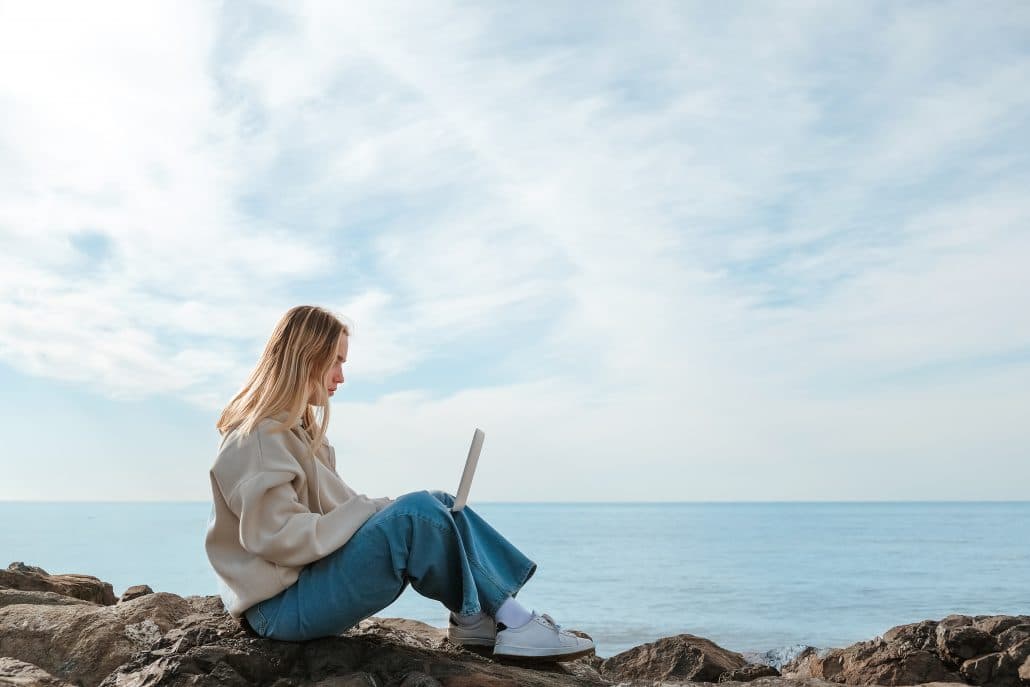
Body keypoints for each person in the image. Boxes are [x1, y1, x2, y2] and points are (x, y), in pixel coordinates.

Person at [204, 305, 594, 661]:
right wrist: (378, 510)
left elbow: (339, 514)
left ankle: (476, 621)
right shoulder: (256, 438)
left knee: (435, 502)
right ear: (307, 357)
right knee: (416, 514)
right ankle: (514, 623)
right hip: (278, 610)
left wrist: (384, 509)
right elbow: (279, 538)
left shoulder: (300, 435)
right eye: (335, 362)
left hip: (303, 592)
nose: (341, 376)